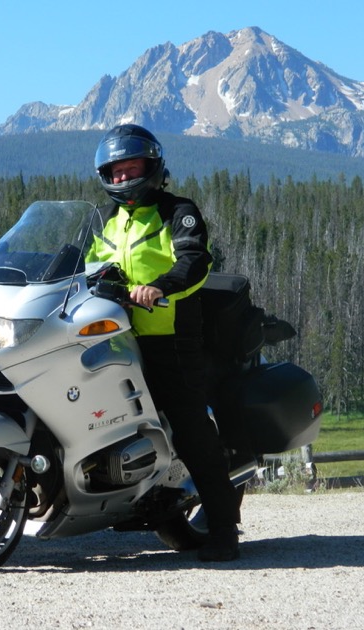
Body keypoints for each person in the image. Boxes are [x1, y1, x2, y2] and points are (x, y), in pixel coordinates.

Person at [87, 124, 240, 562]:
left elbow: (194, 259)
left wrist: (159, 286)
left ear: (151, 167)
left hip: (169, 338)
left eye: (129, 167)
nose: (122, 177)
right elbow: (87, 263)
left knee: (190, 428)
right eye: (114, 171)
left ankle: (224, 530)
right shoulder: (106, 221)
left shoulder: (178, 211)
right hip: (116, 338)